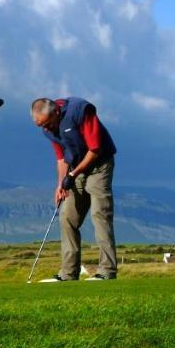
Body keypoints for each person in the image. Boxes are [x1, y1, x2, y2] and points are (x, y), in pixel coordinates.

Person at [31, 96, 118, 282]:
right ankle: (68, 274)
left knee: (99, 214)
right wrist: (61, 184)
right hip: (76, 167)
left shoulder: (80, 111)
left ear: (56, 113)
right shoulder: (48, 129)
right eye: (41, 126)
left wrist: (72, 175)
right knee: (67, 218)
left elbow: (94, 149)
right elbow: (61, 158)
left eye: (46, 124)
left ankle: (106, 271)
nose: (45, 129)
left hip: (99, 164)